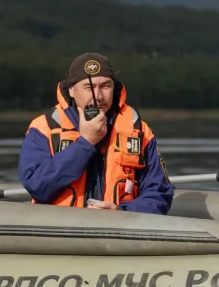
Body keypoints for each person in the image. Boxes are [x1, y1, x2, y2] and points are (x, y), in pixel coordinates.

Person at [18, 53, 173, 214]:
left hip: (120, 226)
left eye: (105, 86)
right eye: (88, 87)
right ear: (71, 90)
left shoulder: (139, 130)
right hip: (60, 228)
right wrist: (85, 143)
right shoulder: (44, 128)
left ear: (114, 88)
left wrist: (123, 210)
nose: (98, 96)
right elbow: (38, 187)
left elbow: (160, 193)